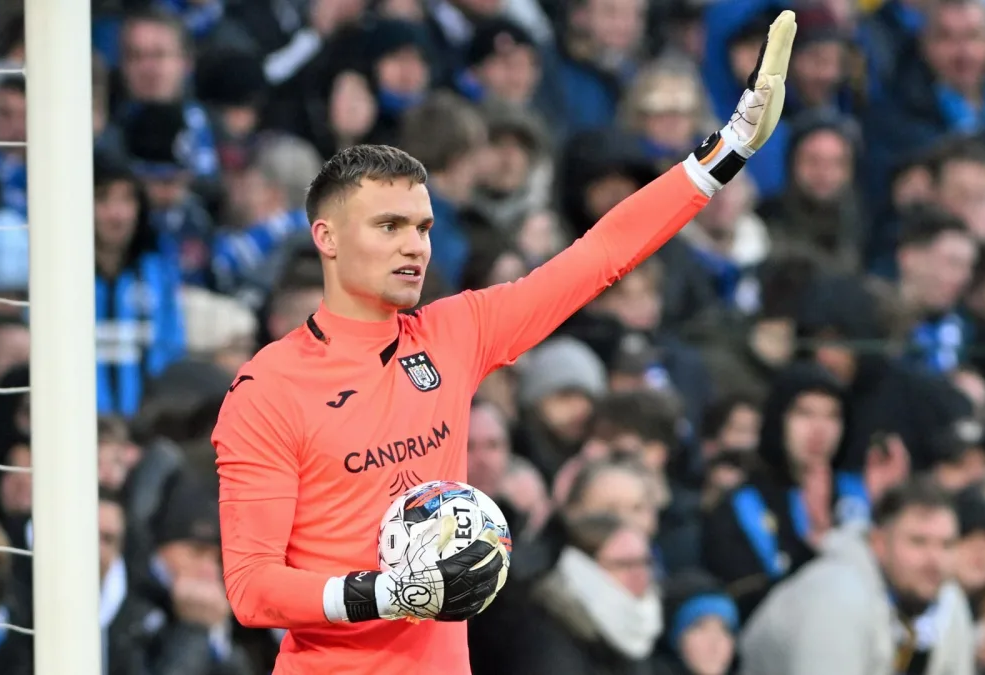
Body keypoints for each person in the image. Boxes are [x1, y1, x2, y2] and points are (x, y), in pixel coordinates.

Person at [211, 11, 799, 675]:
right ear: (328, 238)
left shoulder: (454, 333)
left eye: (425, 226)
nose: (415, 245)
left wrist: (726, 152)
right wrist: (390, 591)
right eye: (390, 225)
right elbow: (252, 588)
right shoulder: (268, 389)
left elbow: (599, 253)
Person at [738, 478, 975, 675]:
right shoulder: (834, 596)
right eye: (918, 542)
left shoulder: (946, 598)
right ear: (879, 543)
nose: (935, 560)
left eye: (947, 544)